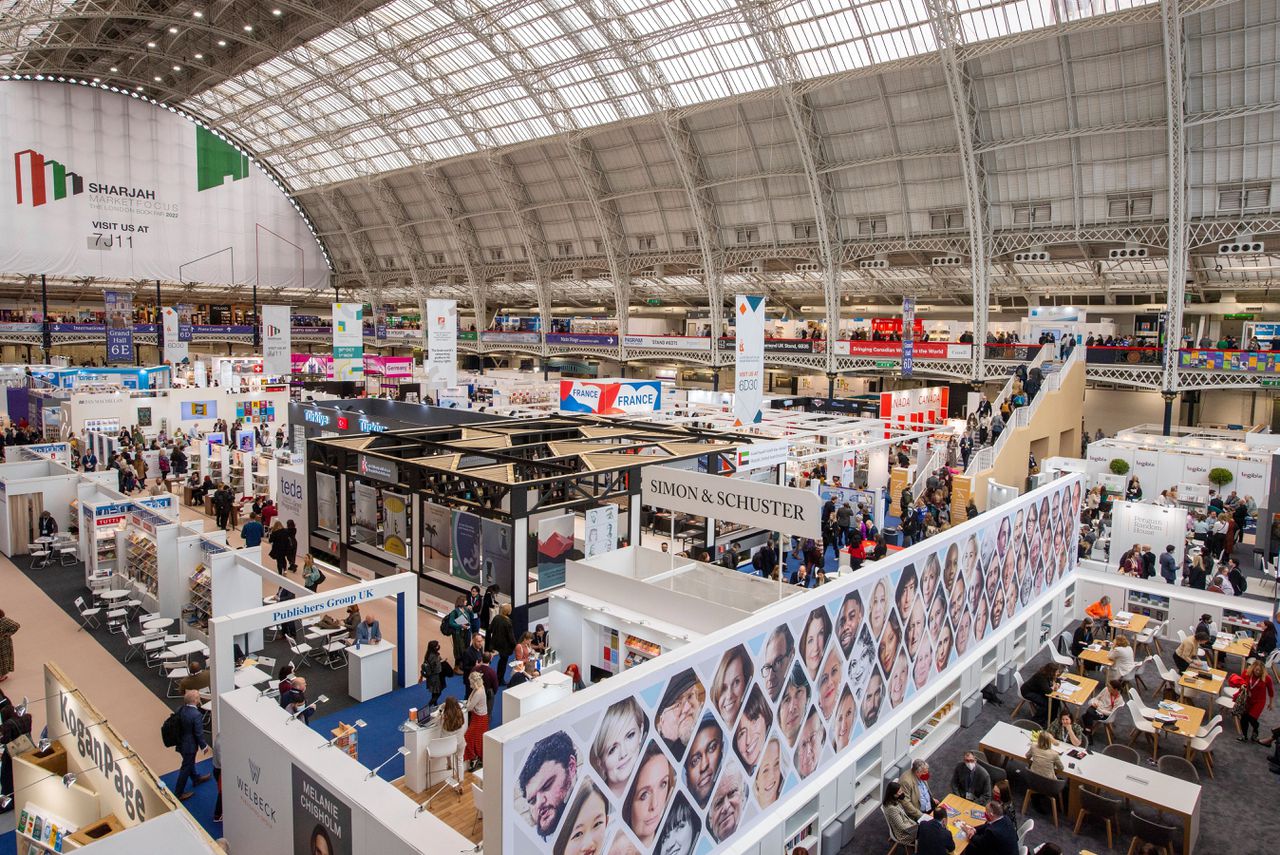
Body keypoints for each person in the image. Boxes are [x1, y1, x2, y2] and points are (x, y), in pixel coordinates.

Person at [172, 689, 210, 801]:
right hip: (189, 746)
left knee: (189, 763)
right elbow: (198, 733)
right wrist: (204, 746)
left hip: (181, 742)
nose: (199, 698)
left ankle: (196, 778)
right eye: (198, 697)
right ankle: (179, 793)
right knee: (186, 768)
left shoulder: (180, 709)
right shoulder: (196, 714)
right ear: (195, 700)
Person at [1231, 659, 1274, 742]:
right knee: (1244, 718)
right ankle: (1244, 736)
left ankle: (1256, 729)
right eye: (1256, 669)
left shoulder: (1267, 678)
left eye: (1260, 671)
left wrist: (1271, 703)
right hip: (1247, 699)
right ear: (1253, 668)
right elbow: (1241, 683)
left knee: (1252, 718)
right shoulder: (1246, 673)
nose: (1258, 672)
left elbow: (1271, 691)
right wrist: (1244, 687)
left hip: (1259, 701)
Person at [880, 781, 918, 850]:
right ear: (893, 794)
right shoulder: (891, 808)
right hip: (903, 834)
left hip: (908, 824)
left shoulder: (894, 800)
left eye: (901, 790)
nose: (902, 793)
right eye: (899, 792)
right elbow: (902, 826)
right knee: (925, 833)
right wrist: (915, 827)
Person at [463, 671, 489, 770]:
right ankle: (477, 757)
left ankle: (474, 757)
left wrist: (469, 704)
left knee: (468, 737)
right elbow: (470, 702)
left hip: (480, 719)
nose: (469, 684)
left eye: (470, 682)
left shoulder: (478, 692)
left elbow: (469, 707)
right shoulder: (478, 688)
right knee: (477, 738)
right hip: (477, 716)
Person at [488, 603, 518, 685]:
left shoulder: (496, 617)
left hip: (496, 644)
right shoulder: (508, 622)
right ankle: (500, 679)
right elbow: (511, 637)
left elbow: (490, 629)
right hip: (505, 647)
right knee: (503, 663)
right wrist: (516, 646)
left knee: (501, 661)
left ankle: (498, 677)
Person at [439, 696, 467, 782]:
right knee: (459, 761)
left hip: (448, 746)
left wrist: (441, 709)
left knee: (445, 741)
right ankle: (460, 781)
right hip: (459, 743)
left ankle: (449, 762)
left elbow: (440, 727)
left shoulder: (444, 718)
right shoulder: (461, 715)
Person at [419, 640, 448, 708]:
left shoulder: (428, 655)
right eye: (437, 645)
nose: (438, 646)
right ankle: (428, 706)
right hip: (436, 678)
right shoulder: (434, 657)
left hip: (430, 678)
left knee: (434, 692)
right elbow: (438, 669)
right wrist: (443, 662)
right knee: (438, 693)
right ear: (434, 647)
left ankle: (435, 705)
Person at [445, 595, 473, 664]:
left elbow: (471, 617)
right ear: (461, 602)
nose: (467, 601)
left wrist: (471, 611)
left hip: (467, 632)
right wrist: (460, 626)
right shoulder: (454, 612)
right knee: (459, 649)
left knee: (467, 647)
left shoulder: (466, 609)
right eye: (465, 600)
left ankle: (463, 664)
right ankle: (457, 665)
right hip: (459, 634)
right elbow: (451, 623)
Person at [0, 610, 18, 682]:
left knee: (3, 659)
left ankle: (2, 675)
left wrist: (6, 635)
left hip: (3, 644)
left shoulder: (4, 620)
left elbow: (16, 625)